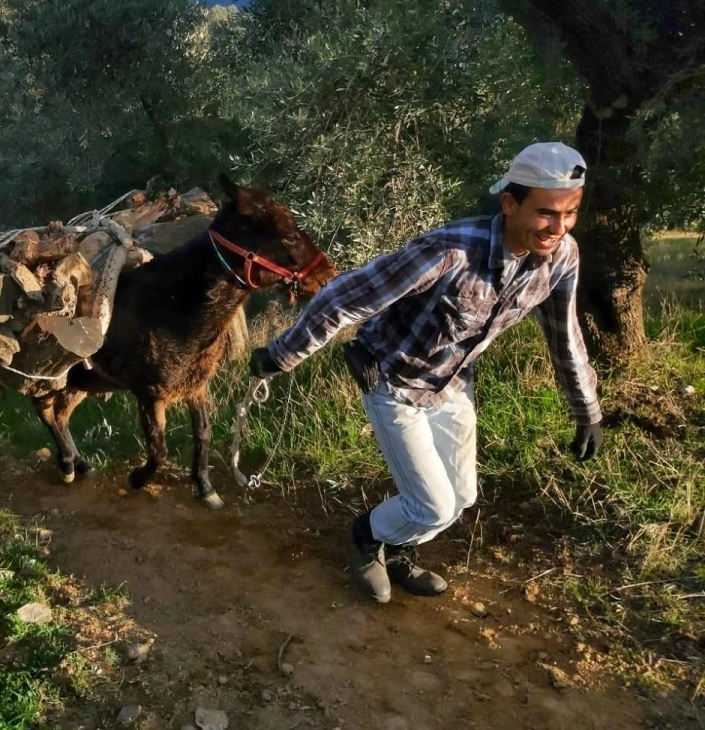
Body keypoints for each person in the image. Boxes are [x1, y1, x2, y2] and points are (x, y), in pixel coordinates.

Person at [249, 142, 602, 603]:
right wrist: (282, 354)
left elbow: (565, 335)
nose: (558, 227)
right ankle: (367, 537)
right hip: (393, 383)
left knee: (461, 499)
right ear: (510, 203)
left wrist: (587, 408)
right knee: (433, 506)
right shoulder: (449, 251)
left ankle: (398, 546)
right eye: (546, 214)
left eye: (569, 214)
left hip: (452, 385)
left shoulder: (562, 257)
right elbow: (343, 297)